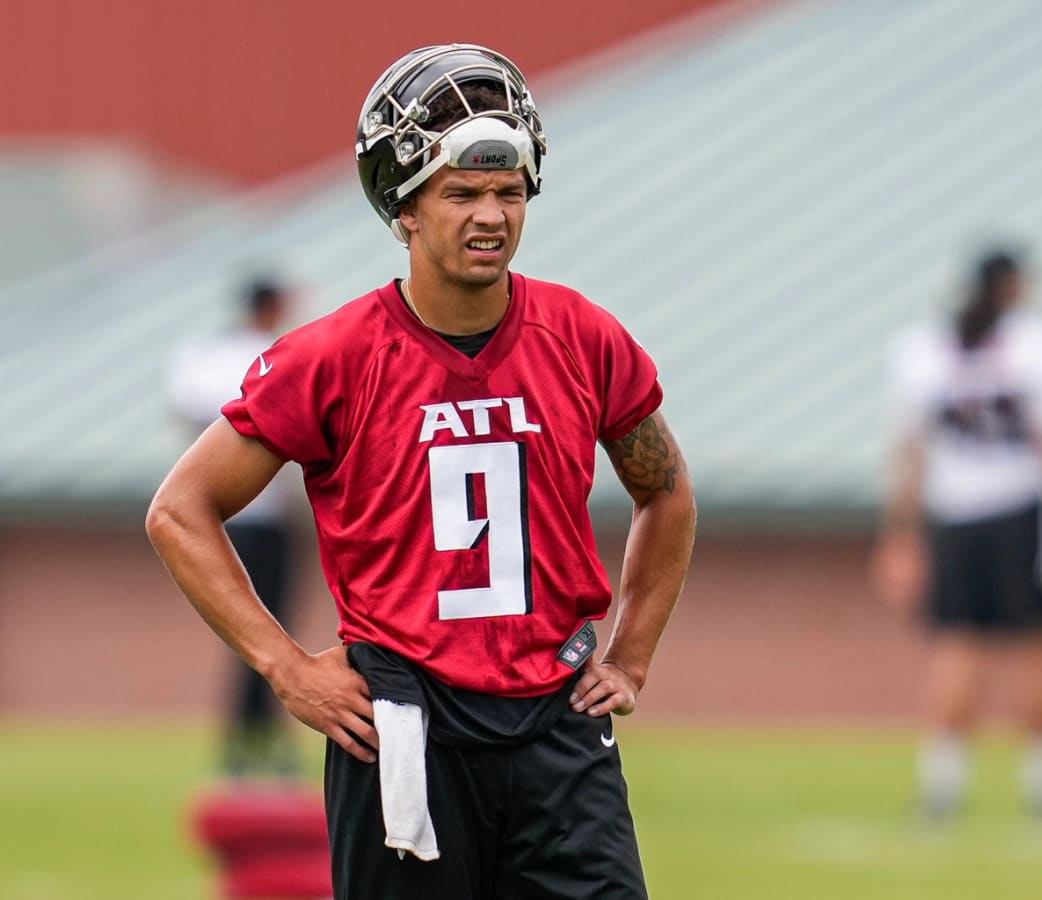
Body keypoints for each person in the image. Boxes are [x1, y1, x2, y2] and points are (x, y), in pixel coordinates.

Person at [146, 43, 696, 900]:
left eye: (509, 191)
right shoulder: (331, 357)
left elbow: (664, 492)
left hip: (557, 720)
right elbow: (181, 510)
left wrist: (630, 655)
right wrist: (286, 667)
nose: (491, 216)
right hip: (405, 726)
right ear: (403, 209)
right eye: (462, 193)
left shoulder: (582, 335)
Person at [870, 246, 1042, 821]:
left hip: (955, 515)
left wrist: (902, 534)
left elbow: (908, 453)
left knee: (957, 647)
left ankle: (941, 790)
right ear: (1013, 287)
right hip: (1021, 512)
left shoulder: (923, 348)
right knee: (1038, 648)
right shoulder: (1038, 344)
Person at [165, 276, 300, 777]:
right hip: (258, 516)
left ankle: (249, 741)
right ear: (273, 305)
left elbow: (187, 419)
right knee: (266, 628)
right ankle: (255, 743)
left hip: (217, 511)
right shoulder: (271, 354)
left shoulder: (199, 355)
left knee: (244, 632)